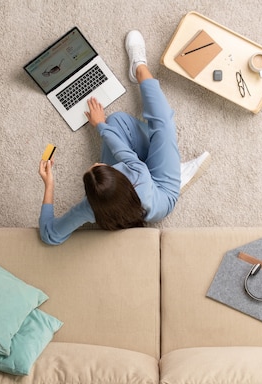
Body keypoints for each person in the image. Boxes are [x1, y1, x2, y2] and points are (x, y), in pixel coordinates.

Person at [38, 30, 210, 245]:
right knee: (162, 122)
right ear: (120, 174)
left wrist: (49, 184)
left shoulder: (91, 208)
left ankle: (171, 165)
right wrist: (100, 125)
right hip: (162, 194)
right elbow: (123, 153)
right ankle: (140, 66)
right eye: (99, 166)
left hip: (141, 191)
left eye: (94, 166)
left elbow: (49, 235)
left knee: (116, 121)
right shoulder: (136, 173)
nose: (96, 162)